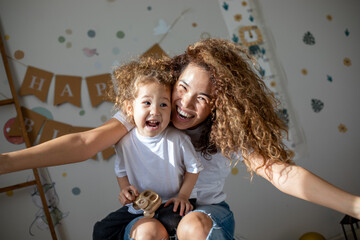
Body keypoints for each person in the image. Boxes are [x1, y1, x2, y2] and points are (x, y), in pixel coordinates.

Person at [1, 38, 359, 240]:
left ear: (220, 104)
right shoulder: (149, 112)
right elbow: (84, 144)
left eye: (203, 98)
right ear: (173, 81)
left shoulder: (225, 129)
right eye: (183, 88)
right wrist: (7, 162)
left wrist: (353, 205)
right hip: (150, 216)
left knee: (193, 226)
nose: (185, 104)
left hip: (202, 216)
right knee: (146, 233)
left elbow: (280, 173)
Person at [93, 57, 203, 240]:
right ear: (130, 108)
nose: (155, 111)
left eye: (163, 104)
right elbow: (121, 171)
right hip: (140, 205)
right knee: (101, 231)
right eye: (147, 103)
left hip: (172, 203)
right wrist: (125, 190)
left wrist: (183, 196)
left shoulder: (178, 140)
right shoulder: (124, 142)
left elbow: (194, 169)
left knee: (174, 223)